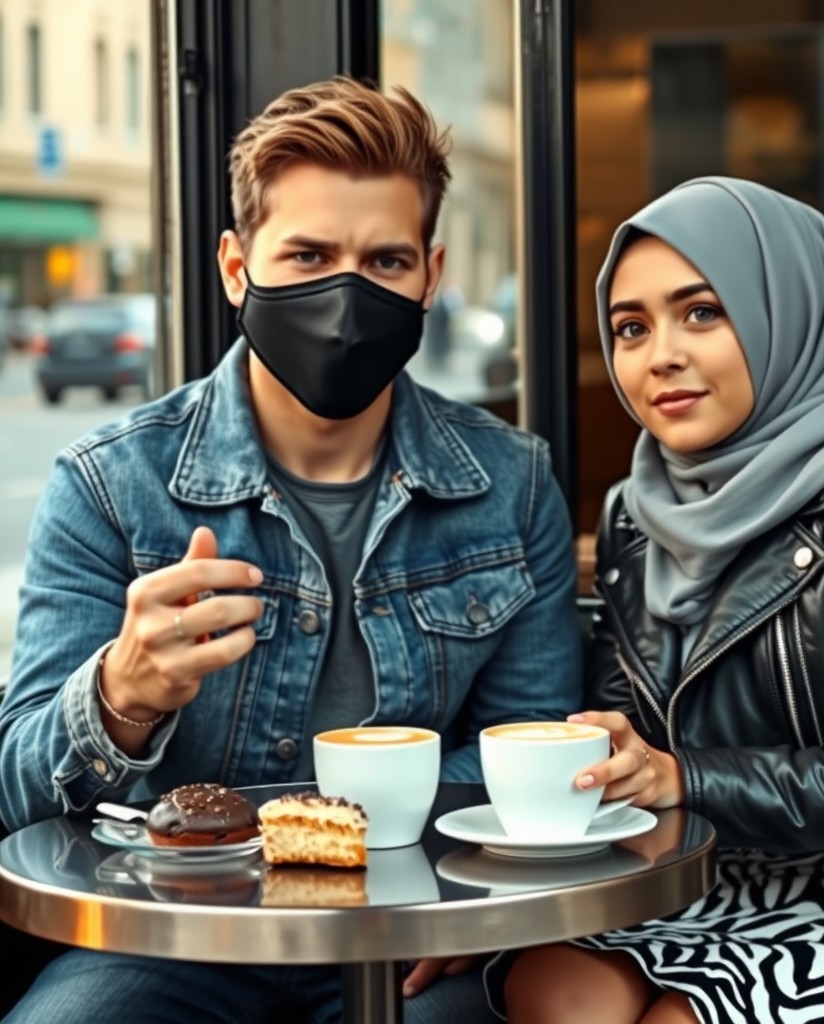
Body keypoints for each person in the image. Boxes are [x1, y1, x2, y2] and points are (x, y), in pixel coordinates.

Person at [0, 76, 581, 1022]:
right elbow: (15, 788)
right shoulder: (111, 483)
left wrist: (429, 890)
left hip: (422, 942)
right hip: (177, 936)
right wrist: (121, 697)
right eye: (307, 255)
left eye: (385, 262)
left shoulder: (510, 484)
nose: (345, 297)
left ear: (431, 276)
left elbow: (526, 755)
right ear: (237, 268)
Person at [492, 178, 824, 1023]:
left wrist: (678, 776)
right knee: (552, 989)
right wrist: (611, 753)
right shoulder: (636, 509)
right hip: (710, 865)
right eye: (630, 327)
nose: (658, 354)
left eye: (701, 312)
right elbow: (628, 721)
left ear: (787, 311)